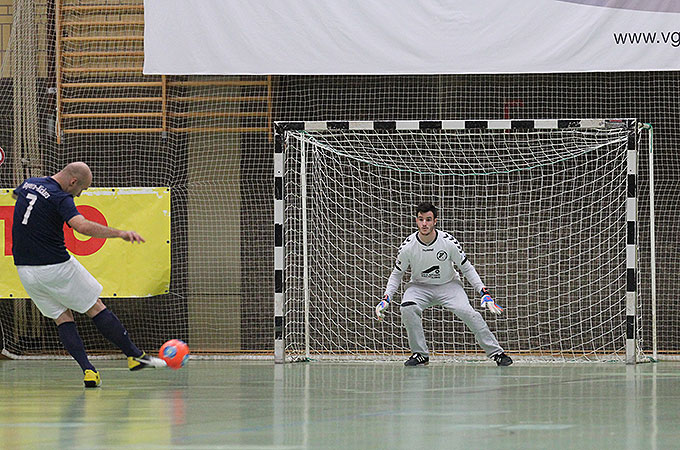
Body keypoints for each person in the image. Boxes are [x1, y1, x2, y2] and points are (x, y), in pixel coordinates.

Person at [11, 162, 166, 388]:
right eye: (81, 190)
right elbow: (81, 226)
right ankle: (135, 356)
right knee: (95, 307)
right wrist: (120, 233)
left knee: (62, 317)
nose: (80, 194)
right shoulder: (61, 198)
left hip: (25, 271)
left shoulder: (29, 183)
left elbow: (18, 197)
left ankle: (89, 372)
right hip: (55, 267)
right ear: (73, 182)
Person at [375, 202, 513, 367]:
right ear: (416, 221)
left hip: (449, 285)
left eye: (428, 219)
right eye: (421, 219)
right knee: (407, 307)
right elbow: (397, 274)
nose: (424, 223)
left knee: (469, 313)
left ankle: (497, 353)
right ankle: (420, 354)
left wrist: (484, 292)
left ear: (435, 221)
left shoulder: (448, 242)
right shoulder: (408, 246)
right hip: (419, 287)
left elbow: (467, 268)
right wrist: (386, 298)